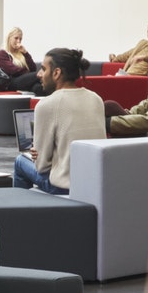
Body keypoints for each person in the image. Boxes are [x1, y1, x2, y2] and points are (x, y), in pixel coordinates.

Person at [14, 47, 102, 195]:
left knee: (20, 162)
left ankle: (18, 213)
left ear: (56, 73)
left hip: (62, 185)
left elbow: (41, 167)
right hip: (94, 182)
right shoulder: (96, 99)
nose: (39, 74)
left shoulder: (46, 105)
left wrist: (40, 154)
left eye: (43, 69)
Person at [0, 28, 43, 93]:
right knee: (39, 74)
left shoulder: (21, 53)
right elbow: (13, 70)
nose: (18, 41)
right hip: (11, 82)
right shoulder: (2, 53)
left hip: (24, 80)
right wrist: (29, 73)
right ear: (9, 38)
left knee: (38, 88)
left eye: (20, 39)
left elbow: (33, 68)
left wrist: (25, 53)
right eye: (16, 38)